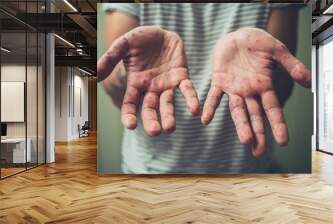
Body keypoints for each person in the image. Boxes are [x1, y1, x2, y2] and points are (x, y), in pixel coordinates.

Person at [97, 3, 311, 173]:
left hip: (244, 171)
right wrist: (132, 70)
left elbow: (277, 93)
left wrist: (264, 64)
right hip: (151, 171)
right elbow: (114, 85)